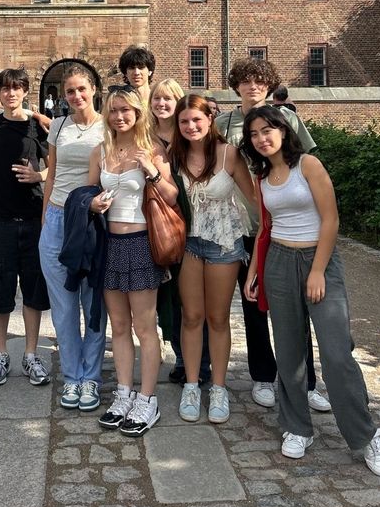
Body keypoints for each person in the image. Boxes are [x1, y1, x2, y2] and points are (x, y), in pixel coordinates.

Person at [242, 107, 380, 476]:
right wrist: (254, 272)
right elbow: (265, 226)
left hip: (317, 259)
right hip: (277, 261)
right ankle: (296, 427)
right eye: (255, 134)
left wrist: (319, 270)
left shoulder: (307, 165)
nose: (262, 138)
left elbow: (331, 219)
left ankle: (365, 434)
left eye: (268, 129)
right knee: (289, 351)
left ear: (282, 130)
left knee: (337, 352)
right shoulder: (262, 175)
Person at [215, 58, 330, 414]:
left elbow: (305, 164)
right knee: (252, 306)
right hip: (239, 226)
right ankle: (263, 375)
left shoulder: (287, 119)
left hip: (279, 229)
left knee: (295, 311)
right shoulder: (224, 124)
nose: (253, 87)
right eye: (246, 81)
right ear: (237, 86)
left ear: (269, 85)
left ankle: (305, 381)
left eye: (260, 81)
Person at [88, 88, 177, 437]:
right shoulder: (101, 151)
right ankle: (124, 393)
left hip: (141, 242)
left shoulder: (154, 148)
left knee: (144, 326)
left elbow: (172, 196)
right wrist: (94, 203)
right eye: (113, 111)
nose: (119, 116)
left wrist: (151, 170)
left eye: (126, 110)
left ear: (138, 112)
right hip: (110, 243)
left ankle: (147, 398)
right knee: (119, 326)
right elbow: (87, 192)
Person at [171, 94, 255, 425]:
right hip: (188, 244)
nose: (191, 126)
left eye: (196, 120)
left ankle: (218, 387)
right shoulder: (172, 156)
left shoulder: (228, 155)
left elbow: (255, 198)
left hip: (224, 242)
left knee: (218, 318)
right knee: (191, 317)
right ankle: (192, 384)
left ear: (210, 120)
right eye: (184, 121)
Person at [0, 69, 52, 388]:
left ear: (25, 91)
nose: (11, 93)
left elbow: (59, 163)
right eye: (5, 89)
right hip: (0, 220)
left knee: (33, 290)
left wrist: (39, 177)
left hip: (33, 218)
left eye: (17, 88)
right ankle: (1, 353)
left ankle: (31, 353)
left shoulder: (39, 127)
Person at [39, 65, 106, 411]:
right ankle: (72, 377)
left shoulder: (108, 126)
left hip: (90, 221)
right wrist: (44, 222)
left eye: (82, 89)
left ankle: (91, 376)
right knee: (63, 306)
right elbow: (52, 173)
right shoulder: (60, 126)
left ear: (93, 89)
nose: (76, 96)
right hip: (56, 218)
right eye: (69, 91)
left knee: (92, 301)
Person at [148, 79, 212, 388]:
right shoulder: (145, 136)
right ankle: (183, 357)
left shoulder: (188, 134)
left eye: (168, 99)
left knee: (194, 299)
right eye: (156, 98)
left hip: (191, 222)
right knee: (169, 298)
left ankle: (202, 361)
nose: (161, 104)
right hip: (159, 226)